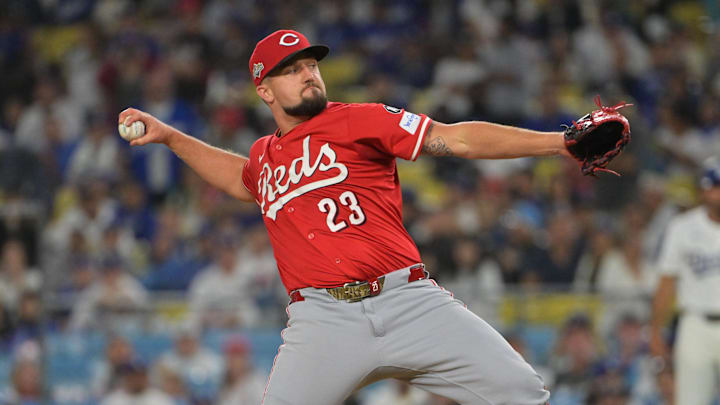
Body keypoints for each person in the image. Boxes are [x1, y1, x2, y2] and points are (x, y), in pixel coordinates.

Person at [118, 29, 579, 404]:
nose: (308, 75)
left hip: (408, 301)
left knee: (522, 393)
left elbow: (455, 139)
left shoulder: (359, 119)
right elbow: (240, 180)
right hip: (322, 321)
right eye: (291, 70)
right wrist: (171, 138)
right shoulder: (264, 157)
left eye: (311, 65)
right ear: (264, 90)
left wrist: (559, 143)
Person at [650, 157, 720, 405]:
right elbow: (666, 284)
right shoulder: (683, 227)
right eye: (712, 186)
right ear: (703, 190)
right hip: (695, 324)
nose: (716, 193)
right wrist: (656, 333)